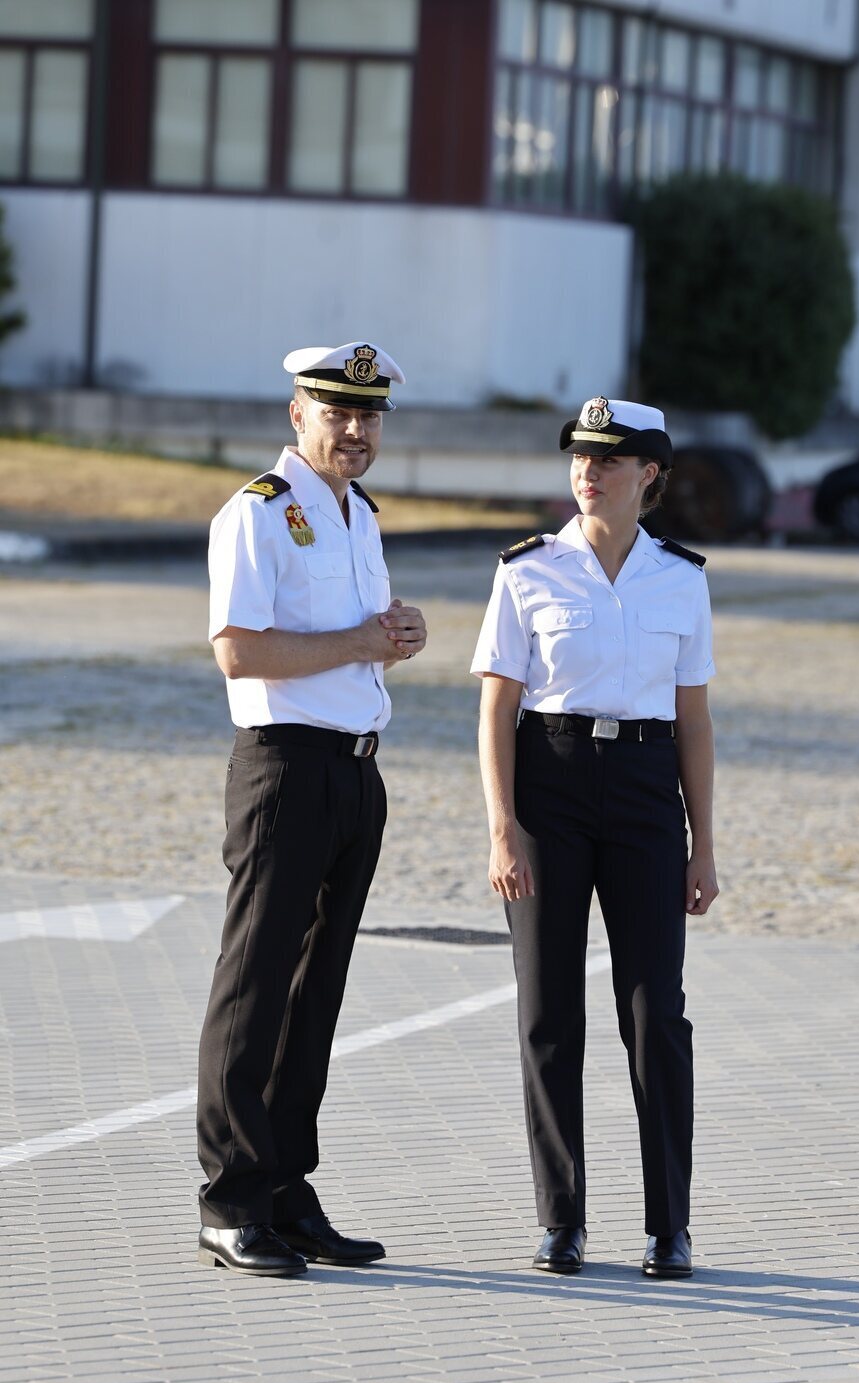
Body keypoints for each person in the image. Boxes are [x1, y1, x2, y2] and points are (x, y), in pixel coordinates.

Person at [471, 397, 718, 1278]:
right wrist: (503, 831)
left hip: (649, 794)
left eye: (609, 460)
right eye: (579, 456)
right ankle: (562, 1219)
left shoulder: (682, 579)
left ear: (649, 473)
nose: (588, 471)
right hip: (551, 788)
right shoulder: (527, 571)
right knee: (549, 1014)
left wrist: (705, 843)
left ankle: (669, 1227)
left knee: (656, 1015)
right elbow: (496, 711)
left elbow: (693, 720)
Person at [196, 342, 427, 1277]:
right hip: (284, 770)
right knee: (256, 988)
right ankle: (229, 1199)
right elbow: (240, 652)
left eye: (370, 414)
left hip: (353, 773)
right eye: (339, 411)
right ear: (298, 414)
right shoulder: (259, 514)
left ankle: (286, 1189)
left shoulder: (356, 515)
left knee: (313, 993)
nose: (357, 429)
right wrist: (359, 640)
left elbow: (352, 640)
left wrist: (394, 638)